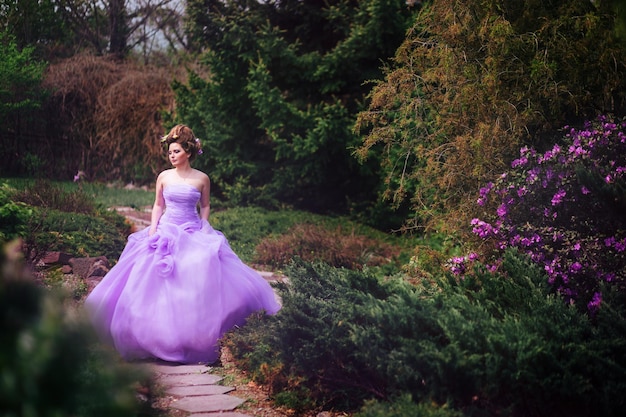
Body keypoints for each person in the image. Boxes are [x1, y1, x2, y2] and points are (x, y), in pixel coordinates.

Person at [84, 124, 281, 364]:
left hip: (191, 229)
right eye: (169, 152)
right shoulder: (164, 177)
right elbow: (157, 204)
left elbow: (206, 206)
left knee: (193, 276)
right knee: (149, 281)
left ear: (188, 152)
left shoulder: (202, 179)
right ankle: (148, 336)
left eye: (176, 151)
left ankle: (190, 337)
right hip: (165, 229)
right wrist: (154, 227)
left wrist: (204, 226)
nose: (172, 155)